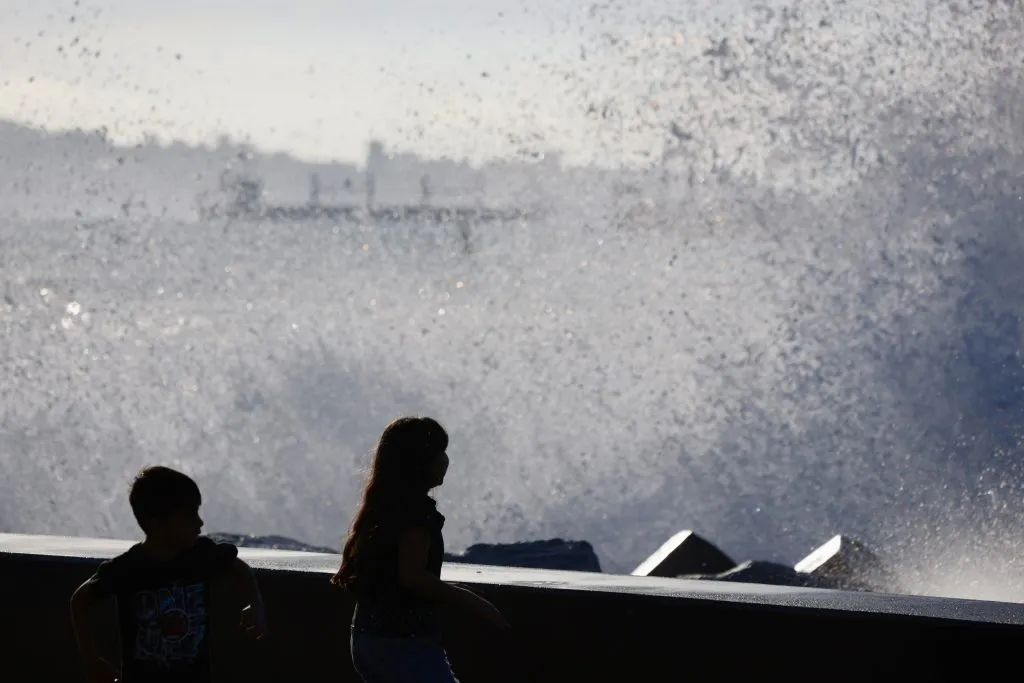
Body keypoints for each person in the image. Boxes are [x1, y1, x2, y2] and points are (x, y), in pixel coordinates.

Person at [332, 416, 510, 683]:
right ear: (419, 462)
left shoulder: (384, 506)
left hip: (367, 638)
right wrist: (474, 603)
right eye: (439, 451)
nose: (445, 460)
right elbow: (412, 576)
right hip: (403, 644)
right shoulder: (416, 513)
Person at [70, 465, 267, 683]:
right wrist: (91, 659)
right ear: (157, 523)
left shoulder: (201, 555)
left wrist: (255, 604)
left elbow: (239, 568)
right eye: (190, 515)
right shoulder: (128, 568)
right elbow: (80, 600)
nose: (200, 523)